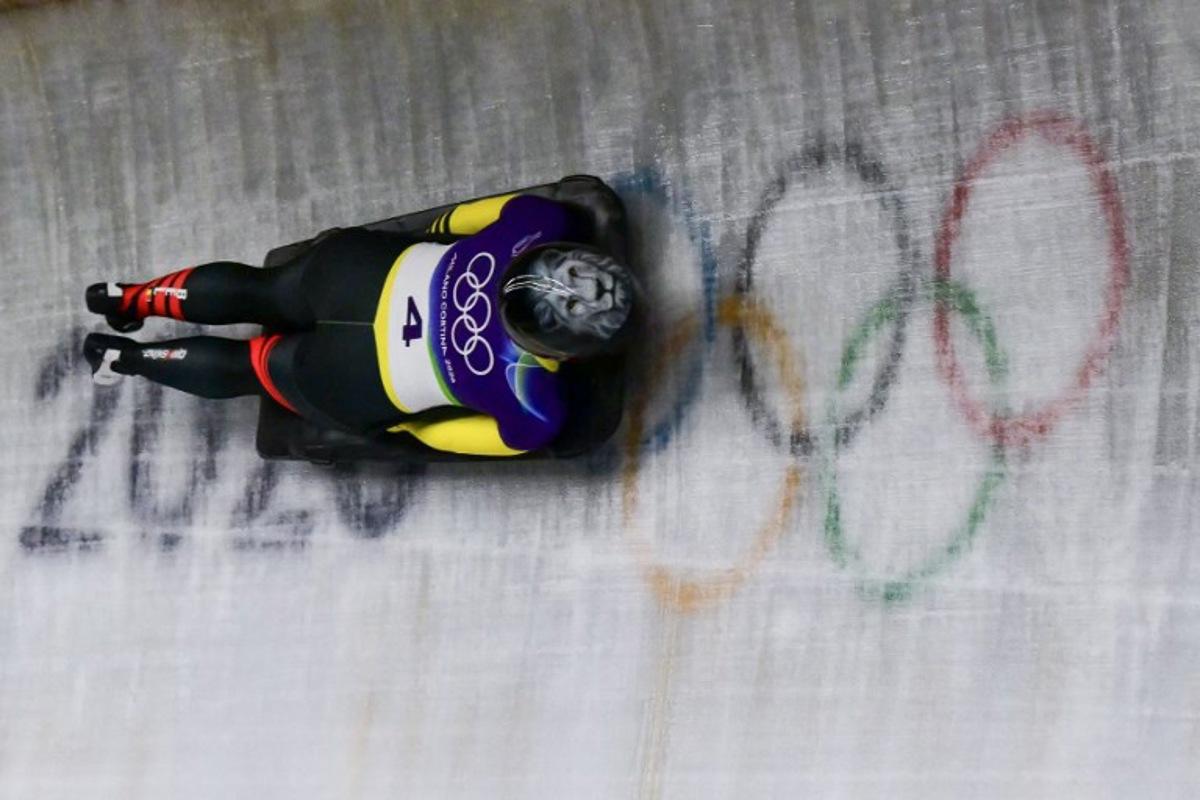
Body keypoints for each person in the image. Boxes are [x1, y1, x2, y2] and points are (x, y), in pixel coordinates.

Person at [82, 193, 637, 456]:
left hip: (355, 273)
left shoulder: (537, 221)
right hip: (353, 376)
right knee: (255, 368)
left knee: (261, 288)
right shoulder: (532, 405)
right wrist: (400, 427)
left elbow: (453, 221)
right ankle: (122, 358)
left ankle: (128, 297)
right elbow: (442, 437)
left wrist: (421, 240)